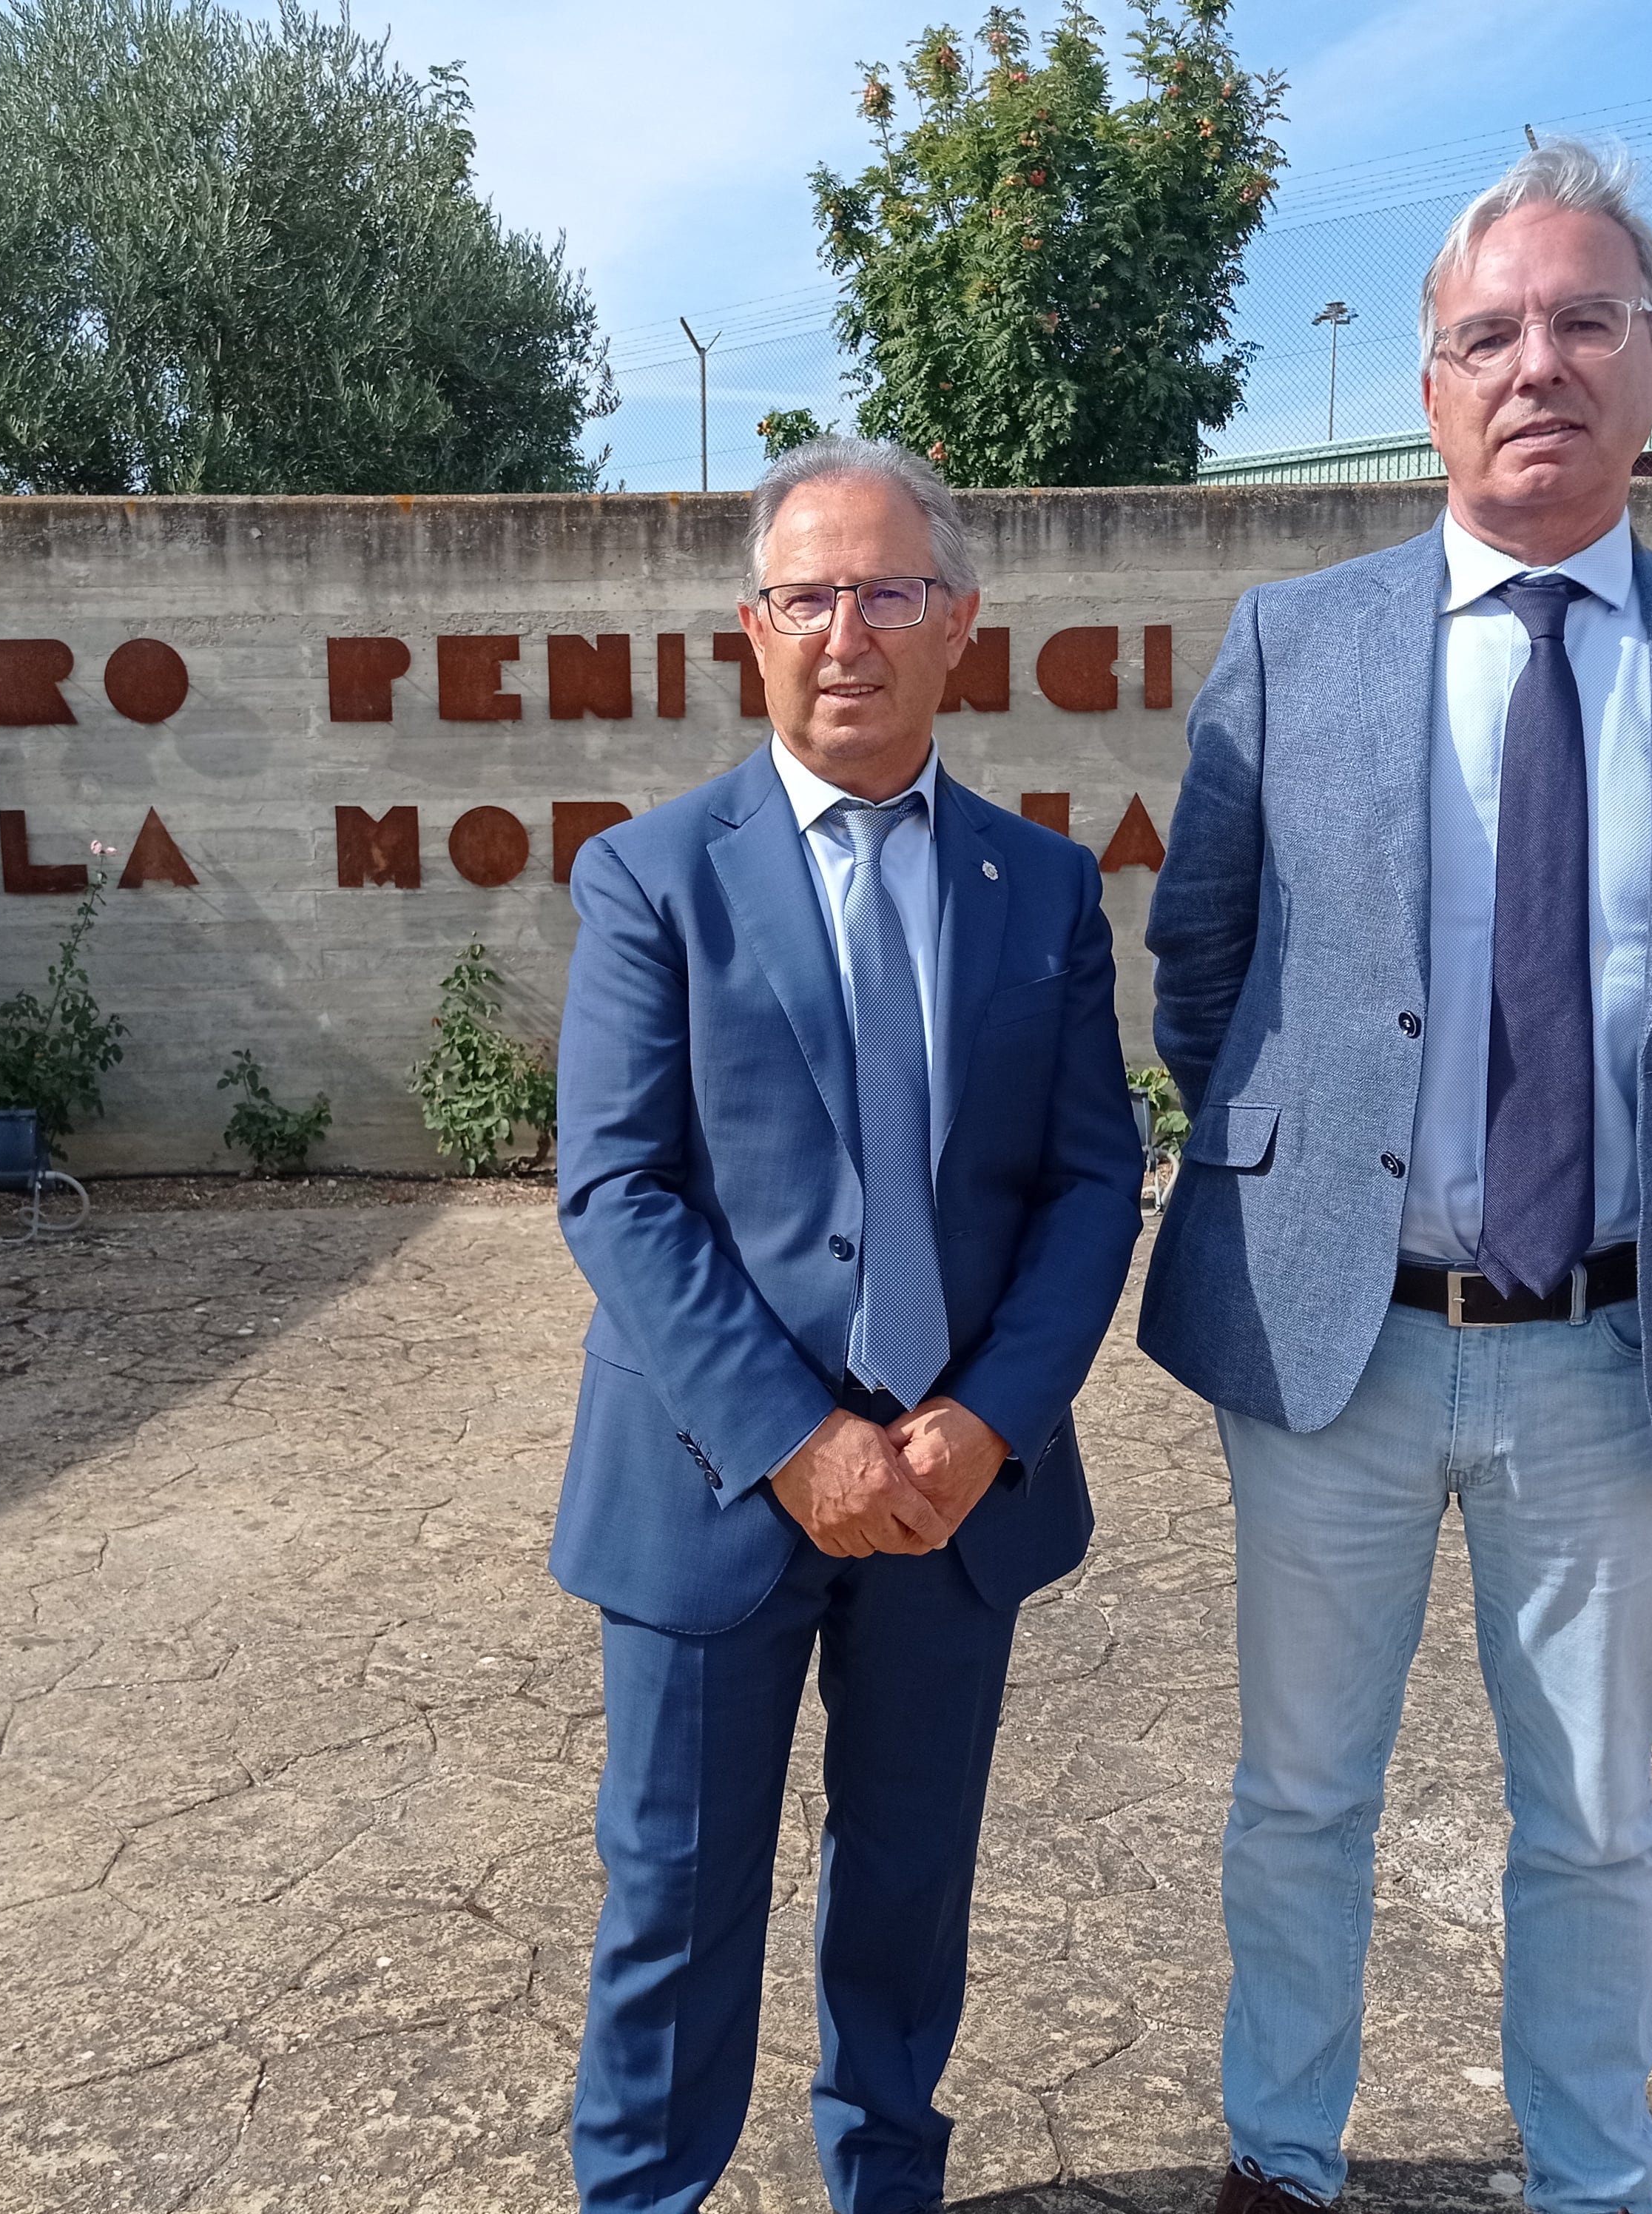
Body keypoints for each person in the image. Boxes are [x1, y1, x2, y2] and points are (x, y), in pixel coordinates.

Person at [1138, 142, 1652, 2214]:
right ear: (1429, 390)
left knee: (1596, 1820)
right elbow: (1207, 968)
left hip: (1611, 1345)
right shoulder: (1295, 642)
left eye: (1581, 322)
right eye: (1487, 334)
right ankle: (1283, 2153)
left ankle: (1591, 2179)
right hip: (1341, 1343)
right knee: (1297, 1795)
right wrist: (1316, 1190)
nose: (1534, 362)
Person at [550, 436, 1144, 2214]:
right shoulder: (652, 877)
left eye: (887, 591)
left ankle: (887, 2183)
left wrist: (990, 1416)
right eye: (806, 595)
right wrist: (797, 1440)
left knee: (905, 1890)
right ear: (750, 628)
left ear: (959, 623)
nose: (845, 632)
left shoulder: (1037, 891)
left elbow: (1092, 1181)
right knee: (674, 1898)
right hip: (711, 1484)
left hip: (954, 1495)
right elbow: (618, 1188)